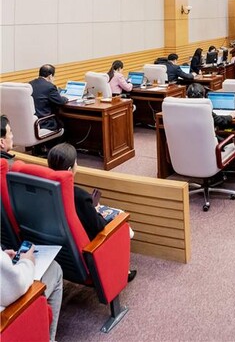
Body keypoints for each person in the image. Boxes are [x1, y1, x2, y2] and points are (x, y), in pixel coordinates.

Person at [46, 143, 136, 282]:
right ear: (70, 170)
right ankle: (123, 271)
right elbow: (99, 226)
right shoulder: (79, 196)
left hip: (61, 249)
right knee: (121, 221)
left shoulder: (45, 190)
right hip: (88, 248)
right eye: (76, 162)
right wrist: (96, 211)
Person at [1, 244, 63, 341]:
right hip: (5, 322)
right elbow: (16, 286)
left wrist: (3, 260)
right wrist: (27, 261)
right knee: (54, 269)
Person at [29, 64, 67, 131]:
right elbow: (61, 102)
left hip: (32, 123)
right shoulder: (50, 86)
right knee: (64, 123)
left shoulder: (30, 84)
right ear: (50, 76)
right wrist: (65, 98)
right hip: (45, 123)